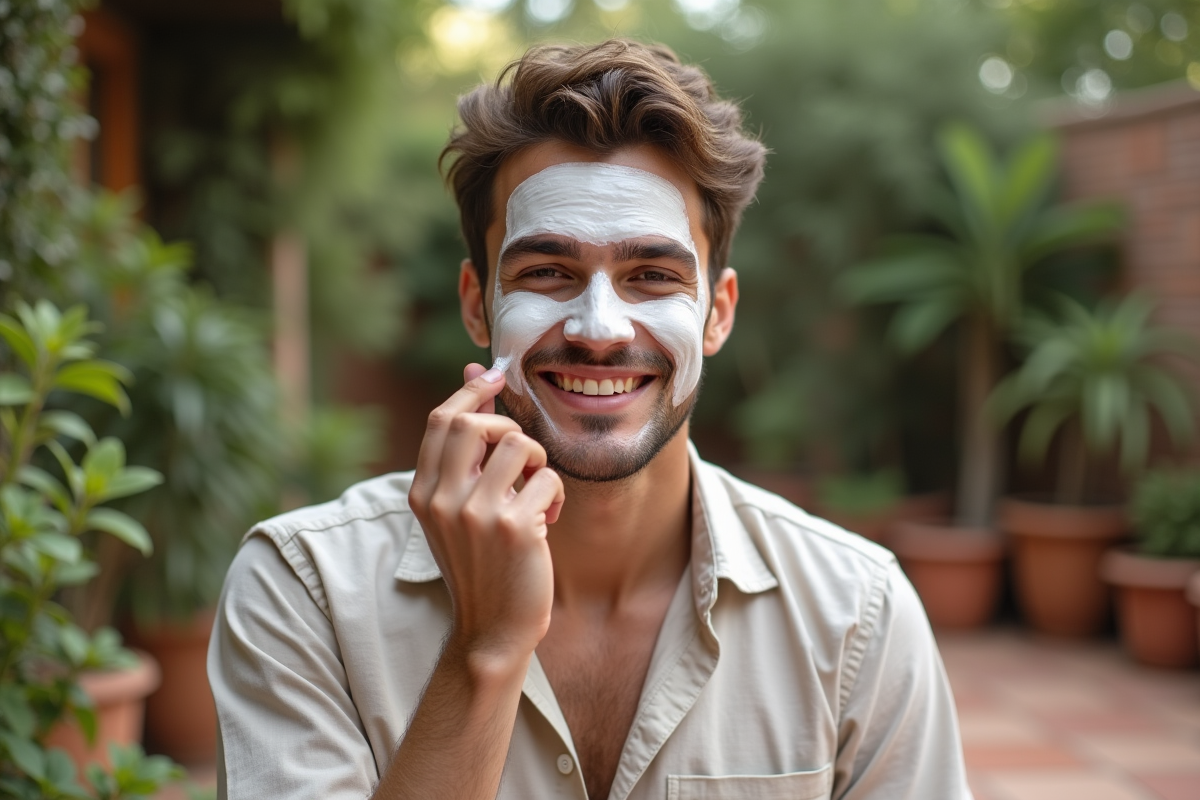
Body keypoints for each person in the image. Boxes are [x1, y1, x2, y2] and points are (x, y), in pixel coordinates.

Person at [209, 39, 973, 800]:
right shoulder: (304, 591)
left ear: (717, 313)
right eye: (547, 272)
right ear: (477, 304)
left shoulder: (856, 613)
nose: (599, 330)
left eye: (653, 276)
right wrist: (484, 650)